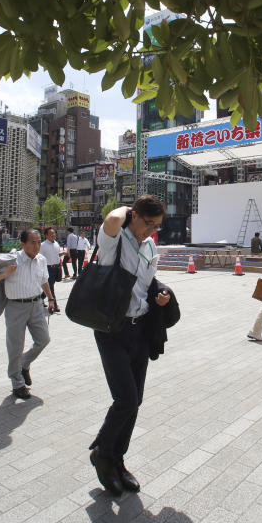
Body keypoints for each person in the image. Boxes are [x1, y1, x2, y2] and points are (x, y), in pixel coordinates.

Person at [88, 195, 180, 496]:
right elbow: (112, 220)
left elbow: (147, 283)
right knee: (125, 399)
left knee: (135, 400)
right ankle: (101, 453)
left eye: (157, 226)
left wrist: (161, 294)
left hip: (140, 330)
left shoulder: (151, 246)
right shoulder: (116, 239)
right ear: (135, 217)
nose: (151, 231)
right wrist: (129, 211)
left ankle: (117, 458)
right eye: (148, 223)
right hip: (111, 330)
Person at [0, 229, 55, 399]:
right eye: (33, 242)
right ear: (22, 244)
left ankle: (24, 364)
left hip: (36, 305)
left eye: (39, 242)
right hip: (15, 307)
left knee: (43, 340)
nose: (37, 246)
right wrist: (6, 273)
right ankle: (17, 382)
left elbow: (44, 280)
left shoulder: (41, 260)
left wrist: (51, 299)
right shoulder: (12, 259)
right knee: (15, 346)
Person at [40, 228, 63, 313]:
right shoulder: (43, 245)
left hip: (57, 267)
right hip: (48, 268)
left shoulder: (56, 244)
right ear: (46, 235)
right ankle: (54, 305)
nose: (53, 235)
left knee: (50, 286)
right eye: (51, 234)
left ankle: (41, 297)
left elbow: (56, 255)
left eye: (54, 234)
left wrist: (63, 254)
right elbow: (39, 258)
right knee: (51, 288)